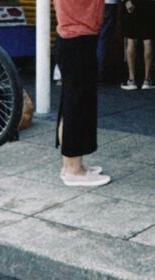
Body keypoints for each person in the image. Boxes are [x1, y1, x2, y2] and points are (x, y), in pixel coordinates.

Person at [54, 0, 112, 187]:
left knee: (74, 103)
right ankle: (73, 169)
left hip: (77, 37)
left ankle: (72, 164)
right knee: (76, 104)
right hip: (77, 37)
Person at [120, 0, 155, 90]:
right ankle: (147, 79)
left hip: (132, 3)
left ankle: (131, 80)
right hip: (150, 4)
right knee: (148, 39)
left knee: (131, 39)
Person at [96, 0, 120, 81]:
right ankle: (101, 71)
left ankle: (92, 70)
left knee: (94, 36)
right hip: (110, 3)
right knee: (104, 38)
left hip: (94, 4)